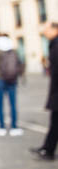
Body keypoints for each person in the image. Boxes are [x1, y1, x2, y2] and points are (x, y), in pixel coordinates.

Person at [30, 22, 58, 161]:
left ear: (55, 29)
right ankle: (47, 149)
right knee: (55, 122)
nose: (44, 32)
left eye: (46, 29)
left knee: (55, 122)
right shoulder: (53, 44)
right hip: (55, 91)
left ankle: (48, 149)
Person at [0, 33, 24, 136]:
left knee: (0, 105)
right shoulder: (14, 51)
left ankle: (1, 127)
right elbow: (20, 64)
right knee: (13, 104)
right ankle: (14, 127)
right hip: (12, 80)